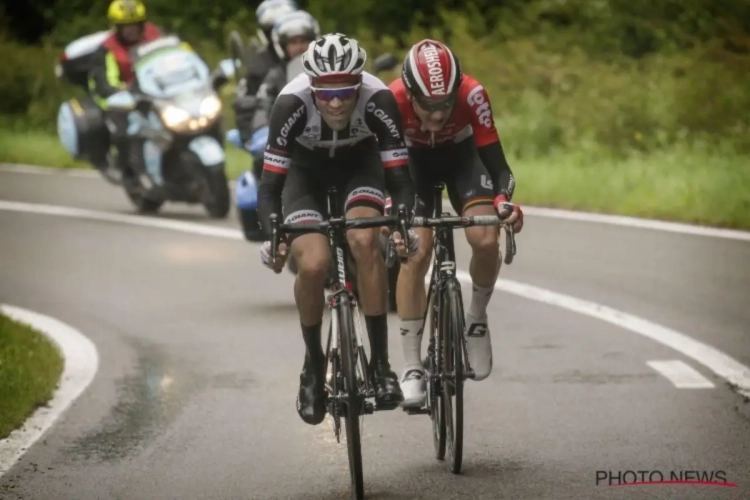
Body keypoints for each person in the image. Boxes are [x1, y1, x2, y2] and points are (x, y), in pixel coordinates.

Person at [256, 33, 420, 425]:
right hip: (304, 174)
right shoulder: (290, 104)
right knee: (312, 264)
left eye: (345, 92)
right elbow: (270, 188)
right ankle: (313, 369)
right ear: (311, 85)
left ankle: (381, 366)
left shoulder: (379, 100)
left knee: (365, 239)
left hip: (360, 166)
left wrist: (400, 222)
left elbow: (399, 179)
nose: (335, 102)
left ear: (359, 84)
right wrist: (274, 235)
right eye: (325, 92)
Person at [387, 39, 524, 408]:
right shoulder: (389, 100)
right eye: (428, 106)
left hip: (463, 160)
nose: (437, 115)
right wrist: (390, 214)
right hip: (411, 166)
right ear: (410, 92)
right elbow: (381, 169)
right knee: (415, 253)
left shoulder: (473, 94)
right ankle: (413, 366)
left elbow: (499, 167)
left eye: (446, 104)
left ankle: (476, 318)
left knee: (483, 237)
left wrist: (503, 202)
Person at [235, 10, 321, 241]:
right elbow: (263, 106)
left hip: (326, 137)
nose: (300, 47)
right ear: (282, 46)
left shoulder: (330, 69)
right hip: (291, 137)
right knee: (264, 162)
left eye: (305, 40)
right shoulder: (275, 76)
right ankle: (272, 219)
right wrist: (264, 132)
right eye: (294, 42)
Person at [88, 0, 163, 178]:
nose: (131, 30)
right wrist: (118, 90)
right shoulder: (107, 49)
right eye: (125, 26)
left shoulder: (155, 35)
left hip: (155, 93)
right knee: (124, 131)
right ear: (117, 27)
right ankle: (126, 170)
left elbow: (177, 53)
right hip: (119, 98)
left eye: (135, 25)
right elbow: (104, 82)